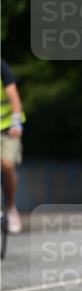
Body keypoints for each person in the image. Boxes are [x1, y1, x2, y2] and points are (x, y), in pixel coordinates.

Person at [1, 59, 26, 234]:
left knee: (8, 165)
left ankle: (10, 207)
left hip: (9, 128)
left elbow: (15, 99)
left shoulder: (2, 68)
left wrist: (16, 124)